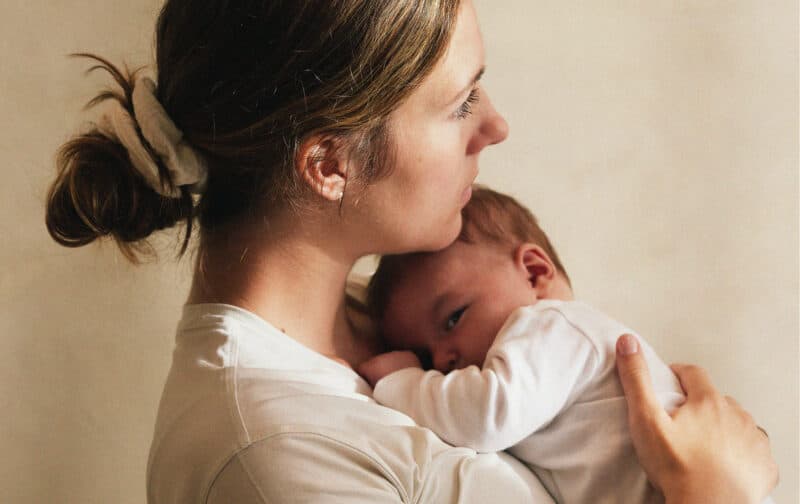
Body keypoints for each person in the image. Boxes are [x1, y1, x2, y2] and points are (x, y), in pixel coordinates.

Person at [44, 1, 777, 503]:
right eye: (460, 103)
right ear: (328, 164)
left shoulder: (411, 319)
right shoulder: (271, 456)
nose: (495, 126)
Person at [359, 186, 775, 504]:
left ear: (535, 274)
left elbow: (486, 415)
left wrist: (403, 380)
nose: (443, 359)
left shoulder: (550, 326)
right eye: (427, 355)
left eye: (453, 318)